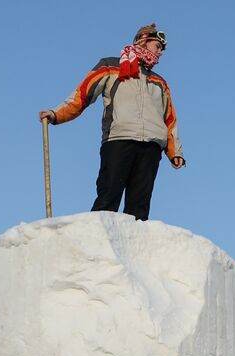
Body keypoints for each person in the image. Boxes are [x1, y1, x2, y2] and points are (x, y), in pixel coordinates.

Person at [39, 23, 186, 221]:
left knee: (139, 207)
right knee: (108, 198)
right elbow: (82, 95)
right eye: (157, 46)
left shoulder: (160, 82)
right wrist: (56, 114)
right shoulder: (111, 67)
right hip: (119, 139)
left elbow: (169, 118)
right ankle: (97, 243)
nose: (160, 52)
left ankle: (135, 249)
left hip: (151, 146)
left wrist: (174, 151)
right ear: (143, 40)